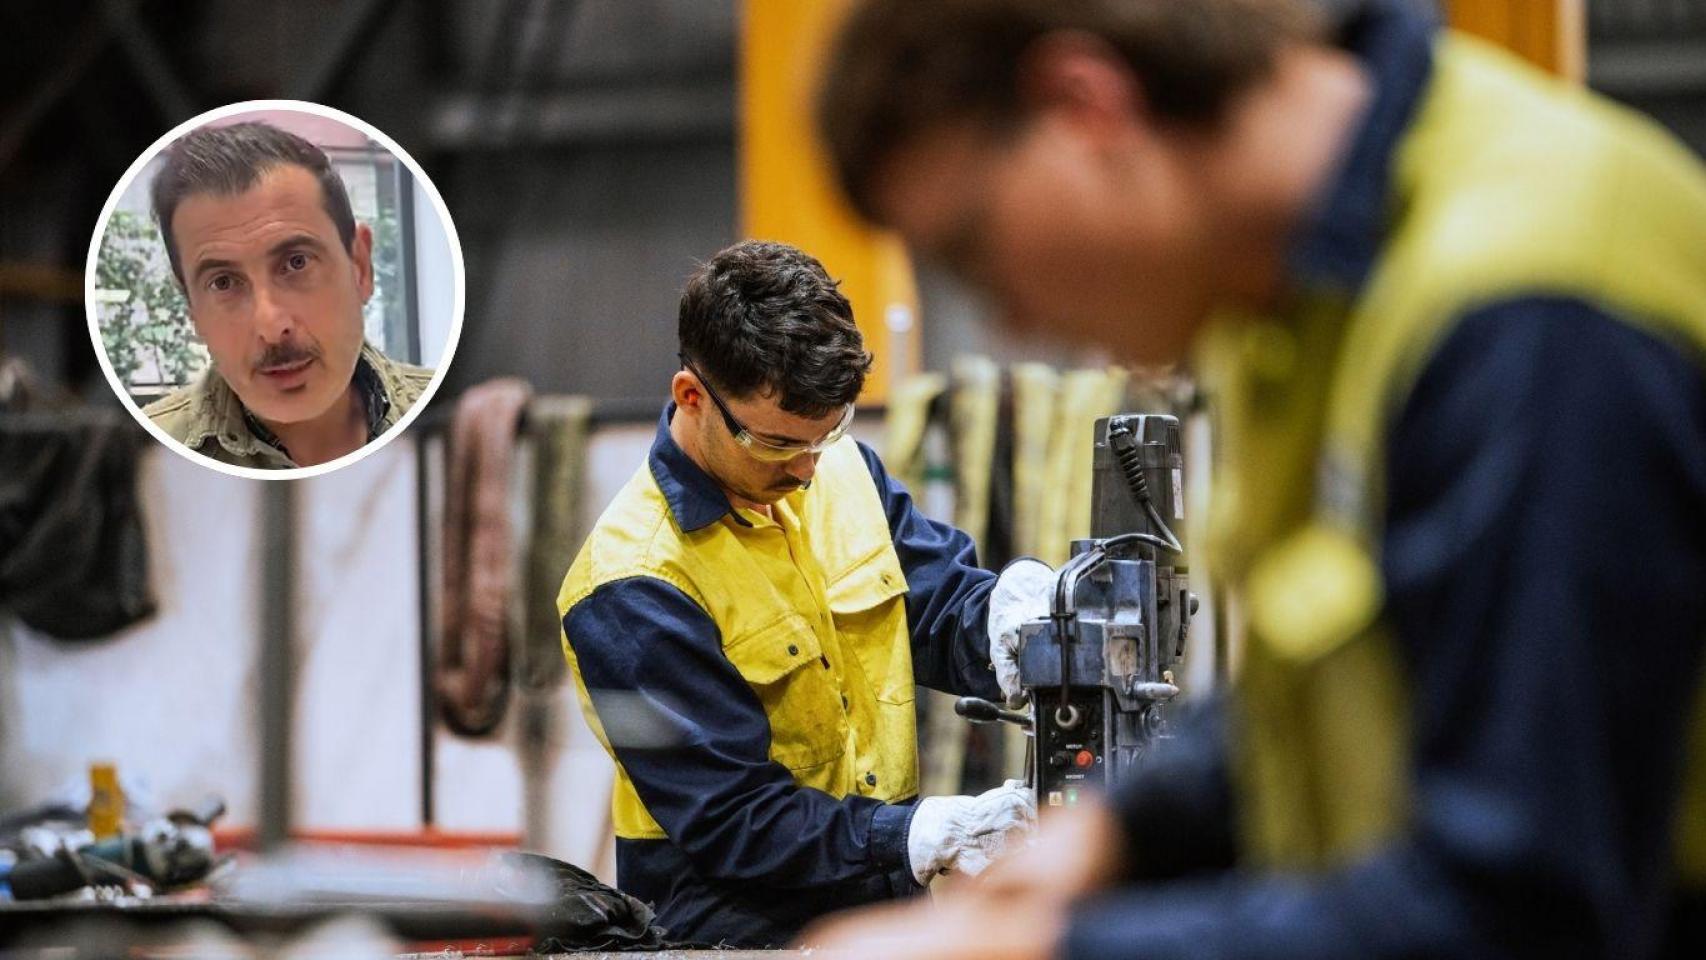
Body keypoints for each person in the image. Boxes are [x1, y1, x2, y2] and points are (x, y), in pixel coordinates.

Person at [804, 0, 1706, 957]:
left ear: (1085, 106)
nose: (1013, 322)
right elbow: (1344, 682)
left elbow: (1523, 905)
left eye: (974, 252)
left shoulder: (1526, 318)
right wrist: (1120, 828)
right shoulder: (1289, 308)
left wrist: (1037, 950)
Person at [555, 239, 1040, 948]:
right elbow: (737, 819)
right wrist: (923, 832)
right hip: (738, 932)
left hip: (880, 901)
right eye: (778, 444)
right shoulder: (631, 585)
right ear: (693, 397)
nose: (810, 467)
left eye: (829, 431)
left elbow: (931, 605)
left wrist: (1016, 620)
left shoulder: (841, 470)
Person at [141, 121, 432, 468]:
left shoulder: (454, 420)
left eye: (296, 263)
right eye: (223, 282)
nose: (271, 325)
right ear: (192, 308)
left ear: (360, 267)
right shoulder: (144, 456)